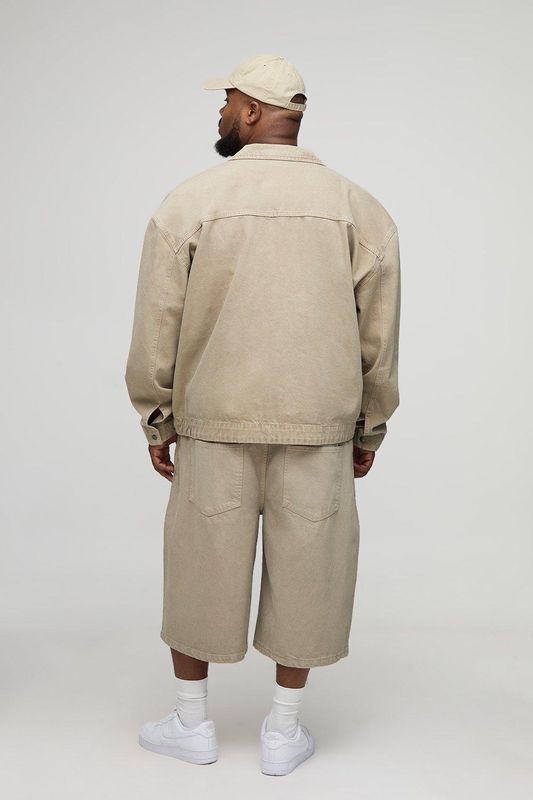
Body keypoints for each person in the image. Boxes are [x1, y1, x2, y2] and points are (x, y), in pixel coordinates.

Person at [124, 53, 401, 776]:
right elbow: (379, 336)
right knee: (311, 571)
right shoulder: (358, 208)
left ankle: (191, 724)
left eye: (226, 102)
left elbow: (157, 323)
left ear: (251, 111)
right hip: (319, 428)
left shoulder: (189, 202)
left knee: (198, 568)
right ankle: (283, 731)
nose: (219, 113)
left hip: (215, 424)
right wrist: (369, 428)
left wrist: (157, 419)